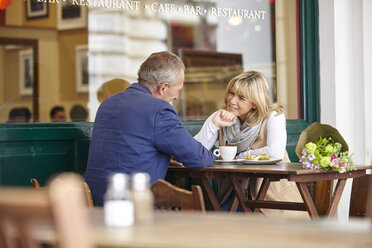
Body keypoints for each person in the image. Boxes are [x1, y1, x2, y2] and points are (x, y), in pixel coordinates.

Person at [84, 51, 218, 206]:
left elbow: (127, 148)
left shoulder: (107, 104)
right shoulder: (159, 109)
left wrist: (164, 156)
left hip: (93, 204)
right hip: (134, 208)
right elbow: (198, 159)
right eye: (178, 89)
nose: (176, 97)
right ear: (163, 87)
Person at [195, 71, 309, 219]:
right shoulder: (221, 116)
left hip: (272, 201)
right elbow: (193, 150)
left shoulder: (273, 116)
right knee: (217, 228)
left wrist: (241, 157)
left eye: (241, 98)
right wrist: (214, 124)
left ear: (255, 103)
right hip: (234, 196)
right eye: (231, 93)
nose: (232, 100)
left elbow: (275, 152)